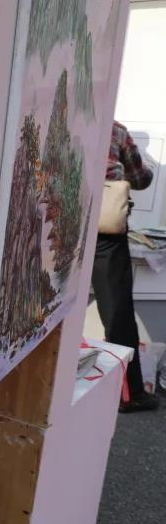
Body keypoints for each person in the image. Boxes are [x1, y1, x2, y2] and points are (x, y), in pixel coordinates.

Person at [92, 121, 158, 413]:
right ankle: (130, 395)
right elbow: (140, 179)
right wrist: (149, 168)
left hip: (59, 220)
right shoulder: (115, 130)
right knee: (118, 313)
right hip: (105, 228)